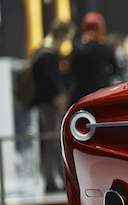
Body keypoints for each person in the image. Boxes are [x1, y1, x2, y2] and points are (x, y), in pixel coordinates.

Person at [33, 19, 74, 193]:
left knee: (49, 141)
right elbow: (50, 81)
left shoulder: (42, 50)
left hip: (44, 104)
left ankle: (52, 179)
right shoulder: (48, 54)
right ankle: (51, 180)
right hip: (49, 105)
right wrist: (58, 96)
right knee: (51, 142)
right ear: (61, 33)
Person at [67, 12, 118, 105]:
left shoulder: (78, 48)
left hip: (81, 92)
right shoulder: (106, 48)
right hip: (101, 91)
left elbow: (72, 72)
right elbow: (115, 70)